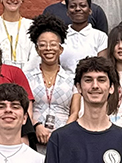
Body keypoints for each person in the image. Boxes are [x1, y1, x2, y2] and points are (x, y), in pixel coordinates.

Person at [23, 15, 81, 149]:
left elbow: (75, 112)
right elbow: (26, 110)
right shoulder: (27, 78)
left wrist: (61, 133)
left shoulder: (72, 79)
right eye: (42, 45)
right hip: (34, 138)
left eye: (53, 44)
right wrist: (37, 126)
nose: (48, 48)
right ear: (37, 50)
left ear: (60, 49)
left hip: (64, 140)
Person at [59, 0, 109, 72]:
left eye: (83, 5)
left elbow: (101, 66)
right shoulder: (59, 35)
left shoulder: (100, 36)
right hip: (63, 83)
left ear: (90, 10)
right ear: (67, 12)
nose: (78, 9)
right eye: (72, 6)